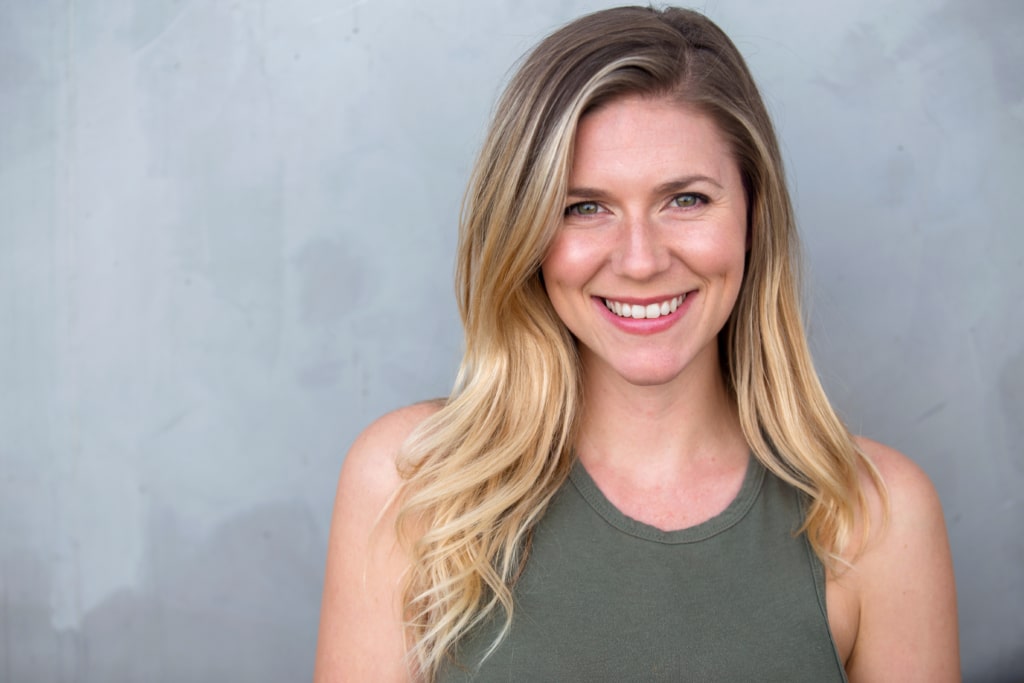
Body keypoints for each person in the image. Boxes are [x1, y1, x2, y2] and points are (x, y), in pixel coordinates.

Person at [314, 6, 959, 681]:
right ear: (526, 234)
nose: (642, 260)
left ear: (753, 216)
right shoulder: (413, 483)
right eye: (583, 207)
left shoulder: (878, 516)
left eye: (685, 199)